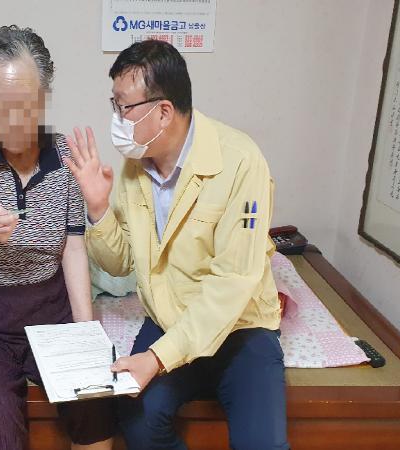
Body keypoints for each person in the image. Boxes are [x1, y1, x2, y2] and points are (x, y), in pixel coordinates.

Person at [65, 40, 289, 450]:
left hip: (241, 328)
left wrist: (157, 358)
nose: (117, 119)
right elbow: (121, 262)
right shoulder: (134, 167)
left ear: (163, 112)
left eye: (123, 107)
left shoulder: (241, 161)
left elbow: (233, 283)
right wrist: (98, 210)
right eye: (115, 105)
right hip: (168, 318)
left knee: (263, 444)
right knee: (137, 422)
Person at [0, 25, 114, 450]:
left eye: (27, 105)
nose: (15, 121)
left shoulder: (65, 156)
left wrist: (85, 329)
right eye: (2, 107)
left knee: (95, 399)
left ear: (45, 97)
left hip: (51, 311)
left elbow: (73, 246)